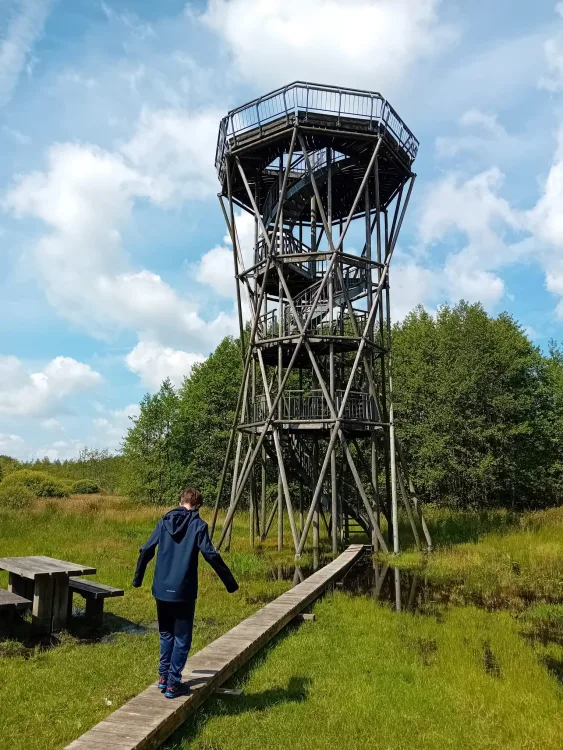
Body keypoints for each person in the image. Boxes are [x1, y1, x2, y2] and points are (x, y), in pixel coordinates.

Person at [132, 487, 238, 698]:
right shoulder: (198, 525)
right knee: (182, 637)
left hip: (161, 590)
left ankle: (163, 678)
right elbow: (211, 555)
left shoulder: (163, 522)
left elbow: (146, 550)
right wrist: (230, 583)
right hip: (183, 592)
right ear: (198, 505)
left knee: (166, 633)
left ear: (180, 501)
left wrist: (137, 579)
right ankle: (173, 684)